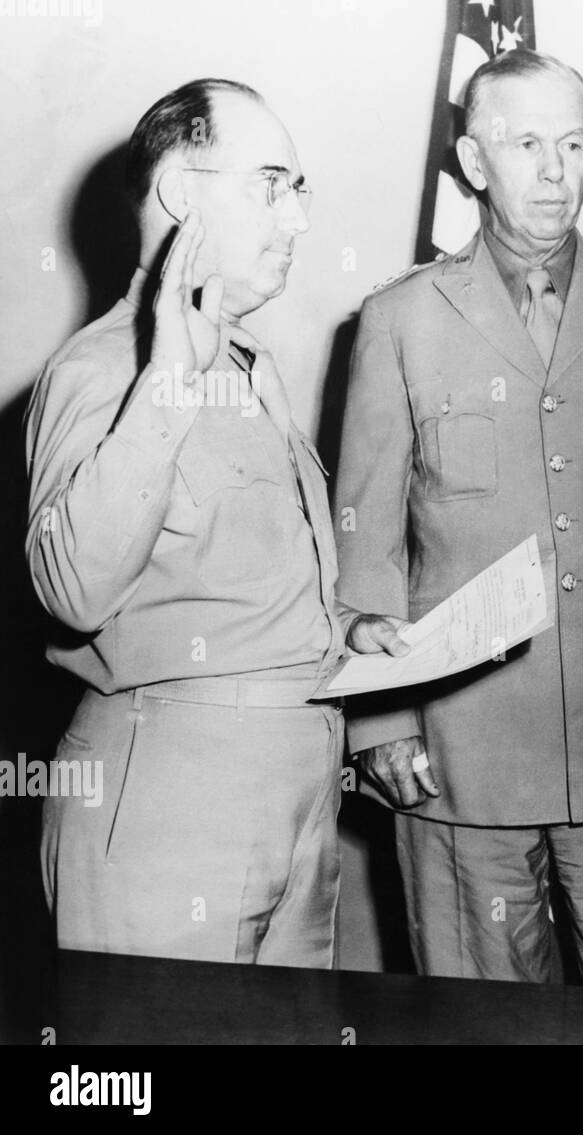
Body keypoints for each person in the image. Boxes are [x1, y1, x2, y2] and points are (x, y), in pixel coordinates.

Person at [334, 49, 583, 991]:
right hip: (464, 753)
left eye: (574, 143)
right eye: (527, 143)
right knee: (480, 1017)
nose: (555, 170)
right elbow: (367, 538)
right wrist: (380, 720)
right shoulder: (400, 321)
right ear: (471, 159)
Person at [26, 79, 408, 967]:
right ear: (180, 194)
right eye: (270, 184)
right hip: (171, 809)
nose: (299, 218)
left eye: (300, 188)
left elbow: (231, 588)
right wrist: (168, 380)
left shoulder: (254, 368)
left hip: (301, 803)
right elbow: (73, 588)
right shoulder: (100, 370)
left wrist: (353, 629)